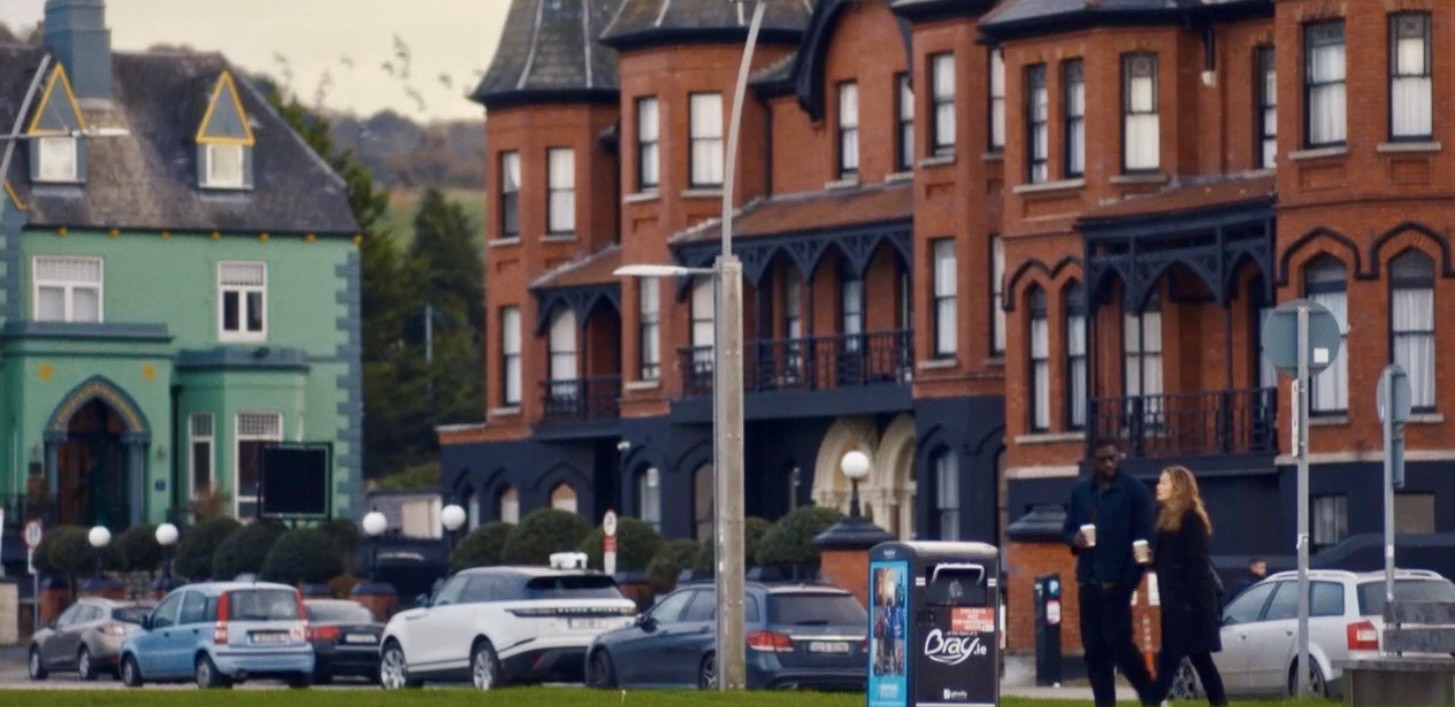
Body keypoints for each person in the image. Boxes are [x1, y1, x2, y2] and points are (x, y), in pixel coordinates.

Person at [1063, 443, 1157, 707]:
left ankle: (1151, 696)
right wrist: (1075, 540)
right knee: (1094, 650)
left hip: (1117, 583)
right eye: (1103, 459)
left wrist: (1130, 582)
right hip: (1088, 582)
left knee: (1121, 645)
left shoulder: (1134, 491)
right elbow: (1068, 528)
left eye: (1113, 458)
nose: (1109, 464)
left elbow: (1145, 539)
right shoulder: (1082, 491)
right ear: (1094, 461)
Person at [1146, 465, 1228, 707]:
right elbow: (1165, 562)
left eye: (1164, 483)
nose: (1158, 487)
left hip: (1189, 607)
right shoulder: (1163, 519)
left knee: (1171, 660)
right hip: (1174, 604)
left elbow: (1197, 565)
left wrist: (1196, 607)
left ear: (1178, 487)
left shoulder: (1191, 519)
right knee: (1200, 660)